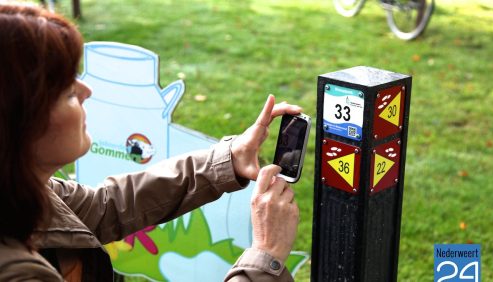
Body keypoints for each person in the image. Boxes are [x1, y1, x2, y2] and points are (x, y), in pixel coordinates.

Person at [0, 4, 301, 282]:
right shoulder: (17, 272)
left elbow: (106, 205)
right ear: (20, 121)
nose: (86, 91)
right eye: (66, 90)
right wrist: (266, 256)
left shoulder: (23, 191)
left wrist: (228, 159)